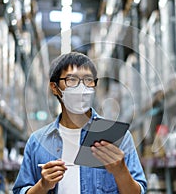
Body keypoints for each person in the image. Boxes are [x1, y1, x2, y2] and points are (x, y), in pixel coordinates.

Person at [12, 52, 147, 194]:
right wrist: (43, 185)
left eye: (88, 80)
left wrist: (121, 171)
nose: (81, 87)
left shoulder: (119, 138)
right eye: (72, 80)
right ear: (54, 87)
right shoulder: (37, 142)